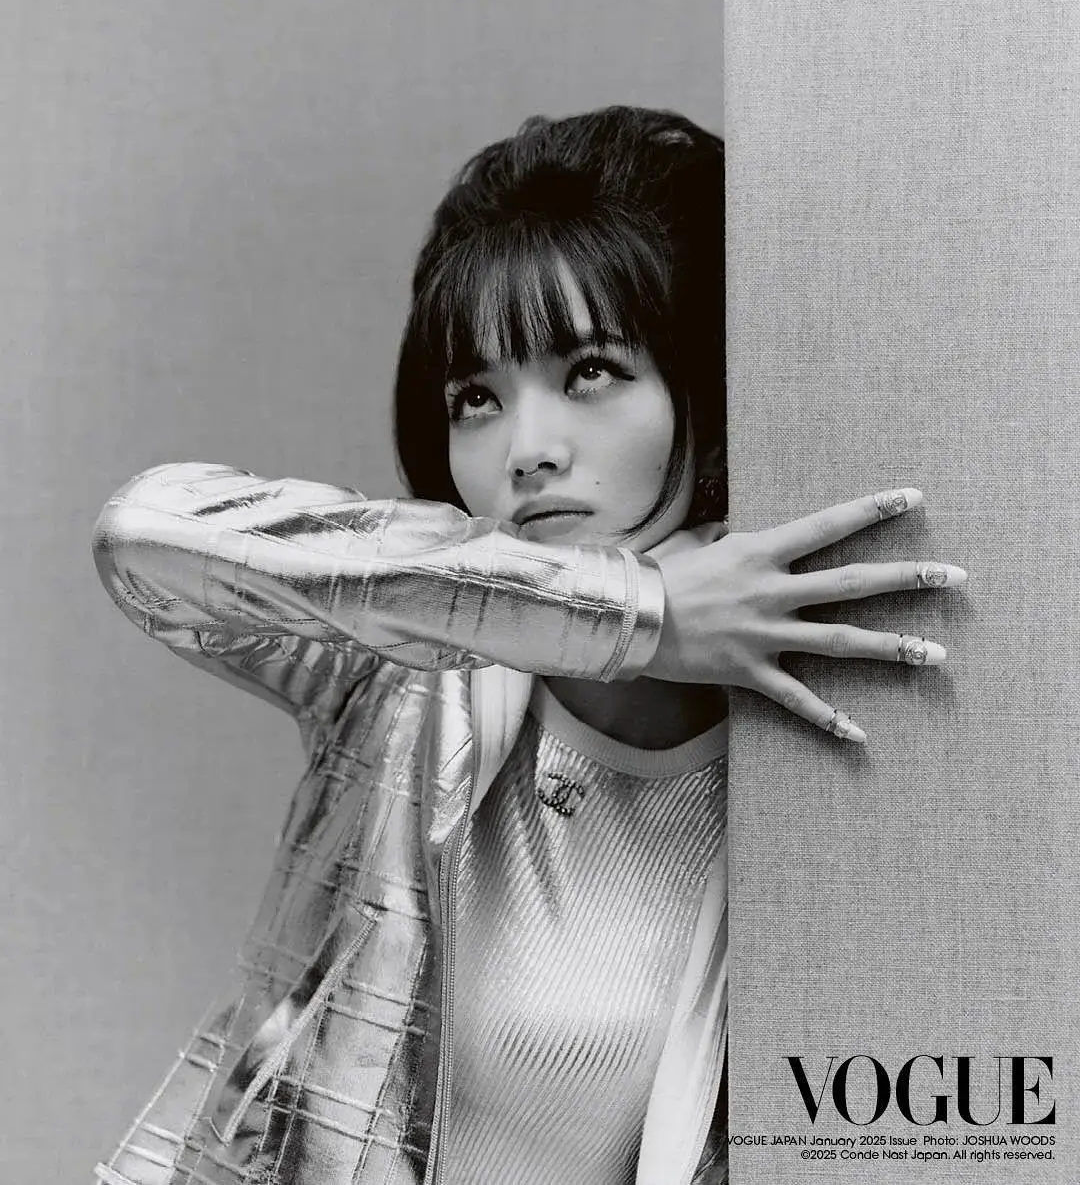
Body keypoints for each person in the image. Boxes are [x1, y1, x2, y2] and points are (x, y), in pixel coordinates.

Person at [90, 106, 964, 1185]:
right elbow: (144, 537)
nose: (526, 450)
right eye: (476, 398)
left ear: (712, 389)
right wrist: (639, 614)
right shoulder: (405, 673)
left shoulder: (813, 765)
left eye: (590, 372)